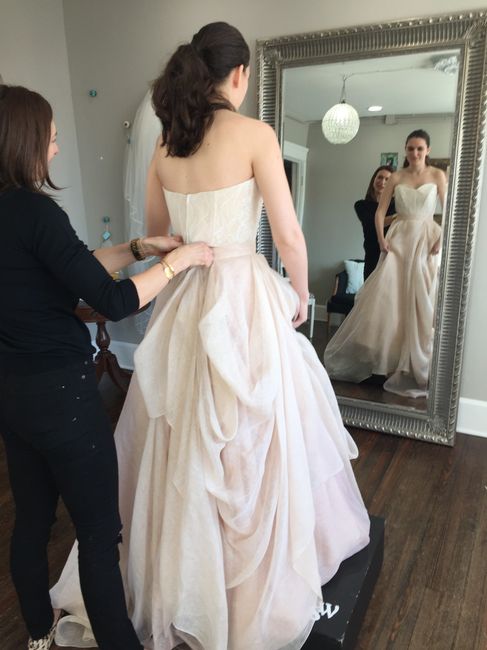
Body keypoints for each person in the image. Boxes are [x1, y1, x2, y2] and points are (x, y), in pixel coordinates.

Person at [51, 22, 370, 650]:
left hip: (186, 293)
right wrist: (299, 293)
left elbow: (157, 234)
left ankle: (179, 575)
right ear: (239, 74)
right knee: (254, 433)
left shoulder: (166, 143)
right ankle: (243, 584)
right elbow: (288, 234)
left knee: (181, 436)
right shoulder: (255, 134)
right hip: (243, 295)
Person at [0, 84, 213, 650]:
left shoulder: (11, 215)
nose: (55, 147)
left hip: (12, 397)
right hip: (63, 400)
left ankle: (38, 635)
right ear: (24, 141)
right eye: (50, 137)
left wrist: (140, 248)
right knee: (98, 533)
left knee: (32, 522)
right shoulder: (36, 212)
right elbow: (115, 302)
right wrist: (179, 262)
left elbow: (69, 265)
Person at [324, 129, 446, 397]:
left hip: (426, 239)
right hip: (399, 240)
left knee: (421, 300)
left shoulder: (437, 175)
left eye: (420, 148)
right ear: (405, 149)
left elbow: (450, 210)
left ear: (427, 150)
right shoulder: (397, 177)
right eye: (411, 148)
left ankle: (416, 364)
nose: (415, 153)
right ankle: (387, 362)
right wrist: (381, 240)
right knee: (390, 300)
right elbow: (379, 212)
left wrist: (441, 239)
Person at [354, 165, 396, 279]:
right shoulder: (361, 205)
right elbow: (372, 224)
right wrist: (396, 217)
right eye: (380, 177)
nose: (382, 182)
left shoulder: (396, 205)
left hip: (392, 258)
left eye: (387, 179)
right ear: (373, 180)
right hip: (372, 258)